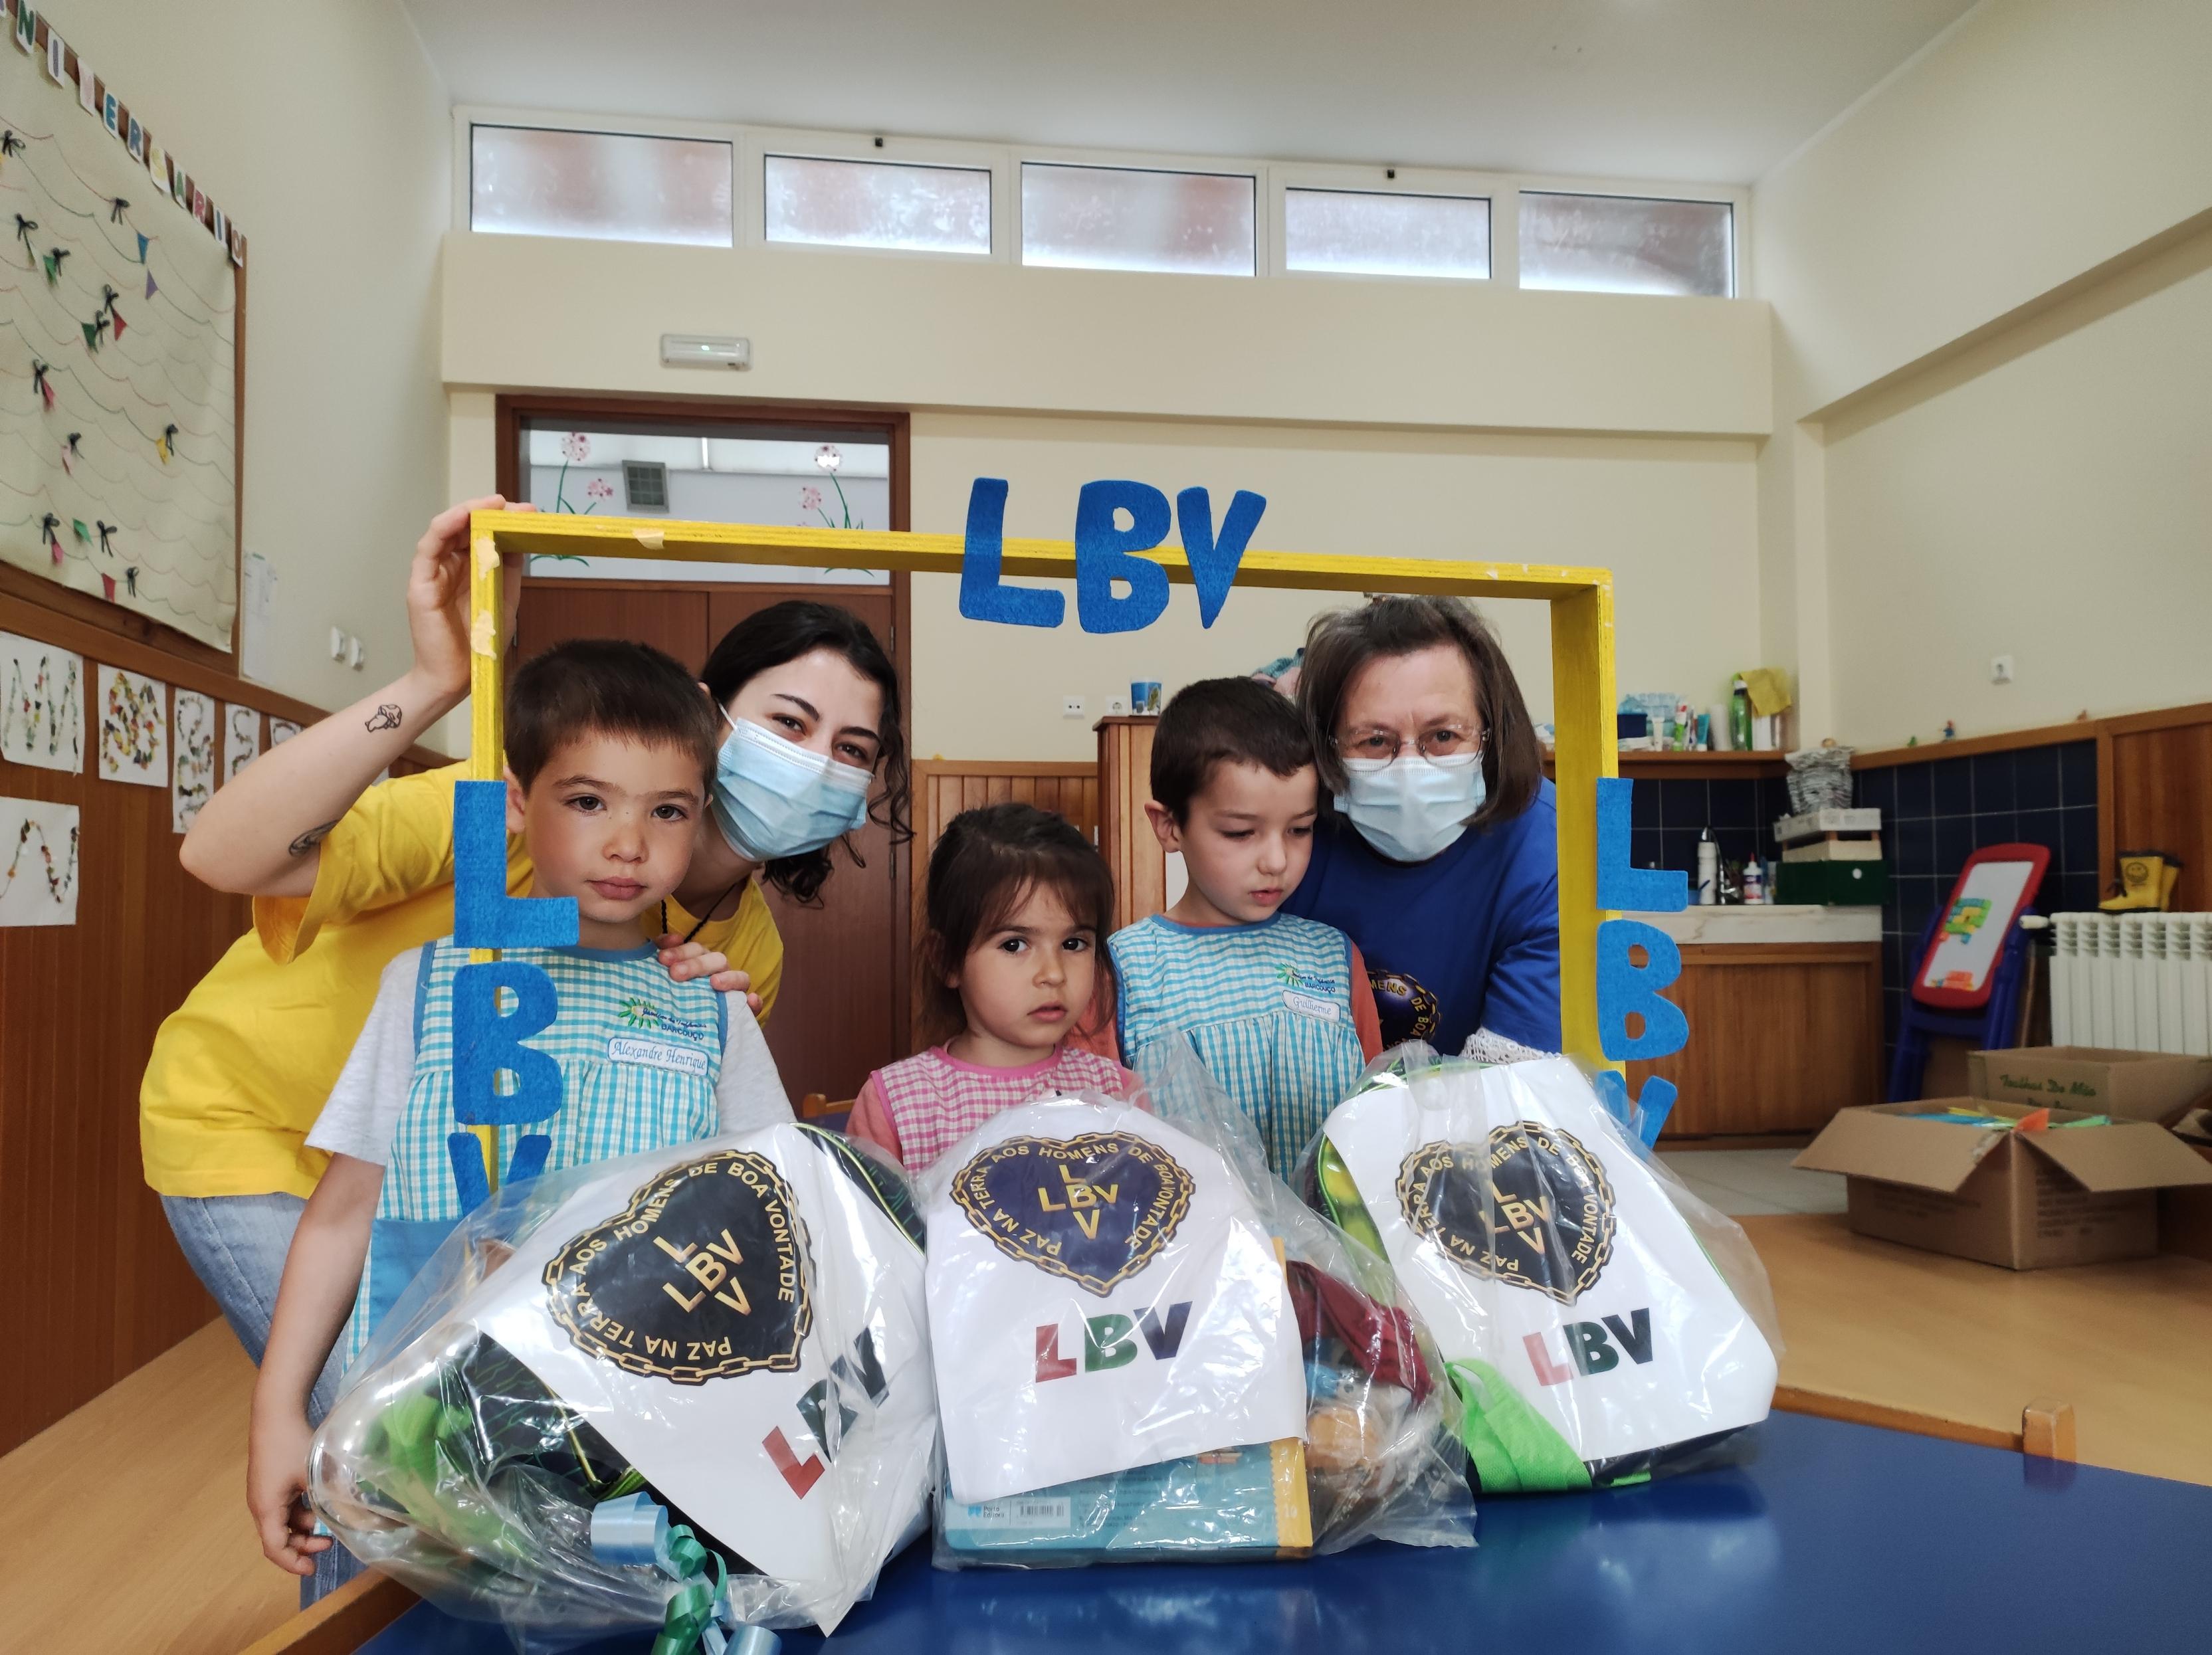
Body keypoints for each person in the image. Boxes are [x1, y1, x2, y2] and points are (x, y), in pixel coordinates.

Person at [144, 500, 910, 1494]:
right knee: (385, 1456)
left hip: (473, 1209)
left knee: (487, 1465)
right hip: (268, 1135)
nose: (812, 763)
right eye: (789, 723)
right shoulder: (499, 817)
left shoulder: (742, 955)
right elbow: (222, 853)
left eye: (851, 748)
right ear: (706, 714)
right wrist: (435, 681)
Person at [245, 638, 793, 1588]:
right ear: (514, 802)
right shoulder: (427, 983)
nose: (628, 843)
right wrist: (277, 1409)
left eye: (667, 810)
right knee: (410, 1620)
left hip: (637, 1443)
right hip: (427, 1437)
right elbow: (345, 1209)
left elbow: (774, 1217)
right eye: (588, 801)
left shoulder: (711, 1011)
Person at [1102, 678, 1382, 1173]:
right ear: (1169, 826)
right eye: (1240, 832)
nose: (1276, 861)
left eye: (1299, 829)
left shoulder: (1334, 958)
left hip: (1327, 1225)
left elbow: (1379, 1117)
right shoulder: (1125, 969)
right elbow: (1096, 1142)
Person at [1280, 596, 1559, 1062]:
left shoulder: (1543, 845)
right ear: (1327, 749)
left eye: (1443, 736)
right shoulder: (1288, 830)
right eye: (1374, 740)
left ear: (1490, 736)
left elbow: (1515, 1078)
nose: (1409, 769)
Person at [847, 804, 1138, 1172]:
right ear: (948, 960)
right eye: (1014, 945)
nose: (1053, 974)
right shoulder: (896, 1104)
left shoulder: (1119, 1092)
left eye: (1073, 943)